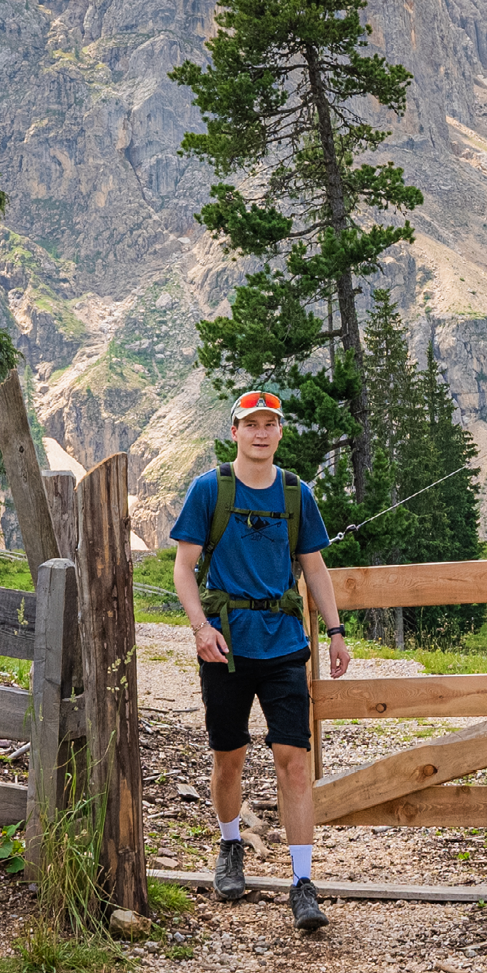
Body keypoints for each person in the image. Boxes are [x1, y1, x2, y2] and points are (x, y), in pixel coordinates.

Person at [170, 390, 351, 931]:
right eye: (251, 424)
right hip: (224, 646)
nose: (261, 433)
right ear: (235, 432)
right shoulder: (210, 489)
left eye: (270, 424)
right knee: (229, 757)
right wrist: (201, 629)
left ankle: (302, 882)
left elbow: (314, 567)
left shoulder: (297, 494)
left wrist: (336, 632)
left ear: (279, 432)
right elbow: (183, 568)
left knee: (294, 760)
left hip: (284, 645)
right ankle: (230, 845)